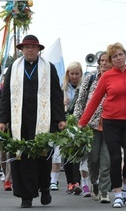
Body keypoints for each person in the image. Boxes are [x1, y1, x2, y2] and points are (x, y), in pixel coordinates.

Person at [77, 43, 126, 208]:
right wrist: (82, 123)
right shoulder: (107, 77)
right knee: (114, 158)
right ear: (111, 60)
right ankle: (118, 193)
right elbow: (94, 101)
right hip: (111, 123)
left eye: (120, 55)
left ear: (125, 55)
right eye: (114, 56)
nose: (118, 58)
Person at [0, 35, 66, 208]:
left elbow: (56, 95)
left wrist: (60, 119)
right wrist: (3, 120)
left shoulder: (48, 68)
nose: (29, 50)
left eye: (33, 47)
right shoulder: (14, 68)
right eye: (26, 47)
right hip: (19, 122)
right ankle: (26, 196)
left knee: (42, 157)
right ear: (21, 49)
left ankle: (44, 188)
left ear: (38, 50)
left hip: (43, 120)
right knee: (21, 158)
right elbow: (5, 96)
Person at [73, 51, 112, 202]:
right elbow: (80, 102)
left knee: (106, 160)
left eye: (106, 60)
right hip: (91, 126)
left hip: (110, 126)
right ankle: (94, 183)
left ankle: (104, 191)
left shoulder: (115, 79)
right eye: (101, 60)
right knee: (93, 159)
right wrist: (77, 122)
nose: (103, 63)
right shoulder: (90, 79)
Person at [51, 61, 83, 195]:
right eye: (72, 74)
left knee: (77, 153)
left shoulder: (83, 88)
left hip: (79, 122)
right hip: (65, 121)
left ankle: (77, 182)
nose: (74, 76)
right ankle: (70, 182)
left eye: (77, 74)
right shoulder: (63, 88)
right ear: (68, 74)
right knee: (66, 153)